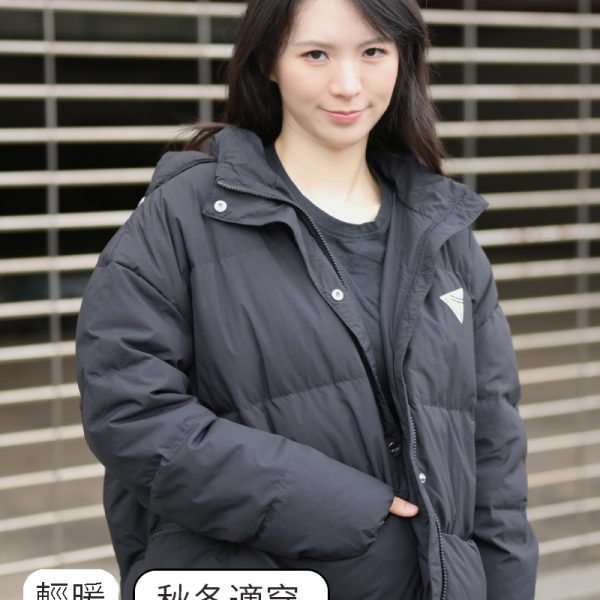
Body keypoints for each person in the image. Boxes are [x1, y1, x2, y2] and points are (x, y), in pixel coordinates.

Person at [75, 0, 539, 598]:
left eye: (373, 52)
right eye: (316, 54)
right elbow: (130, 412)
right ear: (268, 61)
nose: (347, 84)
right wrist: (343, 508)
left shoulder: (443, 231)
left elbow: (494, 454)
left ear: (404, 59)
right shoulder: (183, 215)